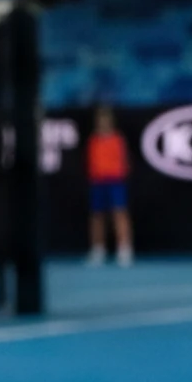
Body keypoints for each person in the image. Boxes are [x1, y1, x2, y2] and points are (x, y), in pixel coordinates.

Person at [84, 102, 136, 266]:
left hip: (115, 182)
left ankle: (125, 250)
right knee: (97, 217)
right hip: (97, 183)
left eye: (105, 120)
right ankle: (98, 250)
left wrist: (116, 173)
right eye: (100, 120)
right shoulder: (93, 141)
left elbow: (124, 162)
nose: (102, 123)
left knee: (119, 214)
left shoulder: (118, 140)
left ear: (111, 121)